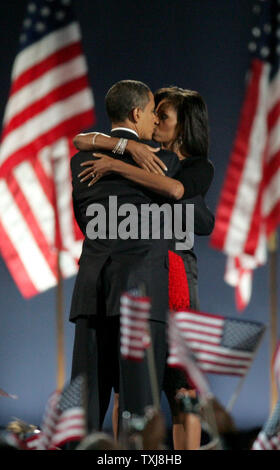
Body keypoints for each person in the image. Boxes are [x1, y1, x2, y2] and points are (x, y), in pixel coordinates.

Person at [74, 86, 214, 449]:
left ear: (181, 127)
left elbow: (195, 211)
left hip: (176, 274)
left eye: (163, 116)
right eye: (155, 113)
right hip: (143, 275)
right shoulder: (148, 154)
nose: (156, 120)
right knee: (130, 384)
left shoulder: (191, 168)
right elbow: (80, 139)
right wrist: (128, 147)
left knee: (181, 383)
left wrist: (120, 162)